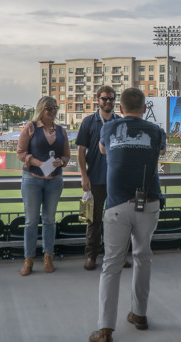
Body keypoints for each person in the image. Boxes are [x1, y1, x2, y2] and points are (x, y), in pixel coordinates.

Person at [89, 88, 166, 342]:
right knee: (143, 257)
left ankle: (104, 331)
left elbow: (101, 150)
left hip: (117, 205)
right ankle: (139, 314)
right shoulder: (156, 131)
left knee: (111, 265)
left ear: (120, 109)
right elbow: (162, 153)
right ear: (144, 108)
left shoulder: (109, 128)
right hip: (150, 202)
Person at [76, 86, 130, 271]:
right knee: (94, 221)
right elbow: (81, 152)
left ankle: (118, 255)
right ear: (97, 100)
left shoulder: (121, 122)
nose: (108, 102)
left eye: (111, 99)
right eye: (104, 99)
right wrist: (84, 176)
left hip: (117, 180)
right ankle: (91, 255)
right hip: (96, 179)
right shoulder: (89, 122)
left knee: (118, 221)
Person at [16, 96, 70, 276]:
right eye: (49, 108)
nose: (53, 111)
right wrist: (37, 162)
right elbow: (20, 153)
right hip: (32, 178)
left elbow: (66, 156)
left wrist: (60, 162)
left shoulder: (61, 131)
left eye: (55, 108)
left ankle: (48, 257)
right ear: (41, 109)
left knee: (49, 220)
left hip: (54, 180)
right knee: (31, 221)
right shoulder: (31, 127)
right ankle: (28, 260)